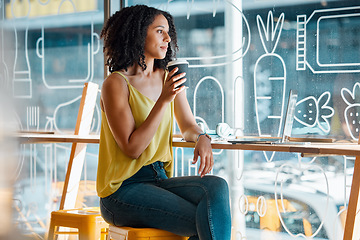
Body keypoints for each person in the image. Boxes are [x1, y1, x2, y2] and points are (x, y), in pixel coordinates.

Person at [97, 5, 231, 240]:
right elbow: (132, 148)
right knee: (207, 219)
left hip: (159, 178)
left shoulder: (168, 77)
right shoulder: (116, 84)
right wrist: (163, 99)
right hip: (122, 190)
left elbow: (187, 124)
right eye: (160, 31)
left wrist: (201, 137)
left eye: (168, 32)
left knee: (217, 187)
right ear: (137, 33)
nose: (168, 38)